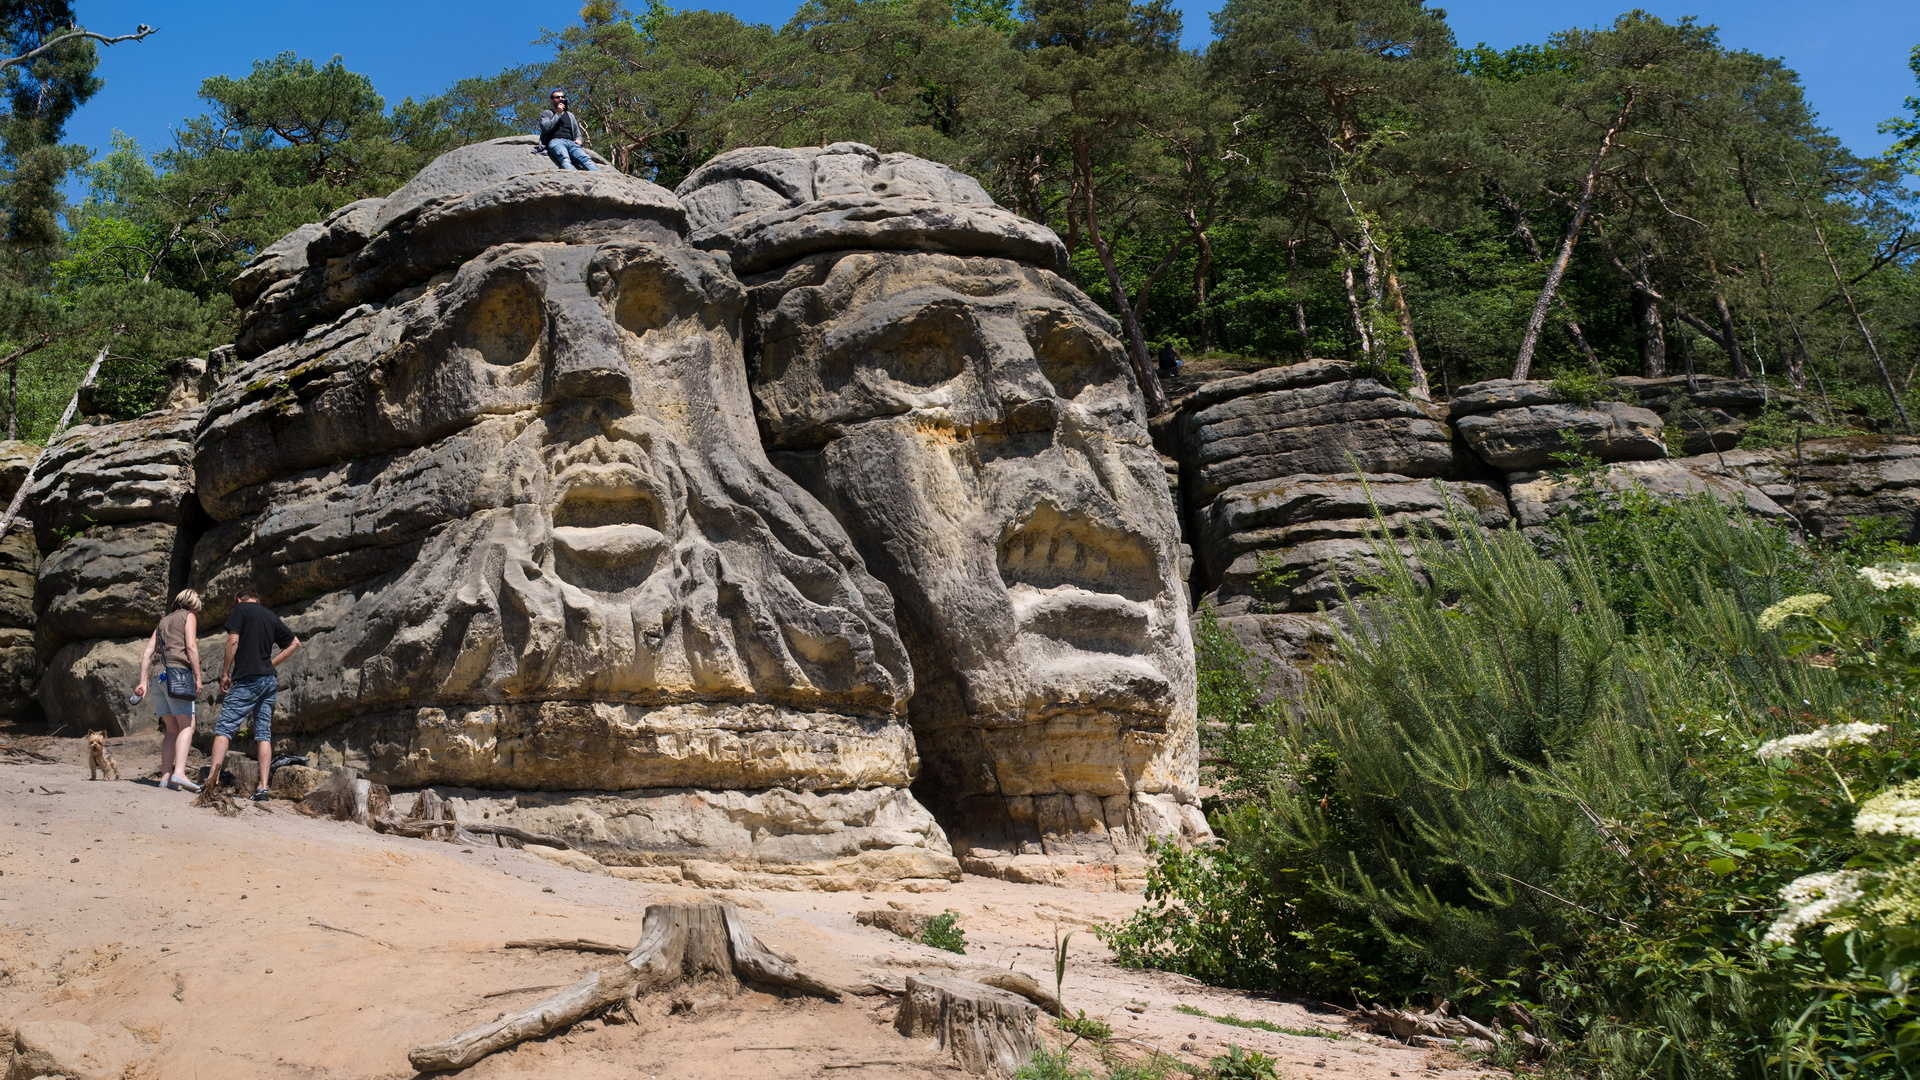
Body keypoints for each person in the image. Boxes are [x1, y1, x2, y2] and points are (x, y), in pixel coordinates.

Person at [206, 590, 300, 801]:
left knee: (224, 728)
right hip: (268, 681)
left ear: (239, 599)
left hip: (247, 678)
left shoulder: (241, 609)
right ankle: (263, 789)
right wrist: (271, 664)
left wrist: (225, 673)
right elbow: (295, 643)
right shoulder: (271, 615)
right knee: (263, 733)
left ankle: (211, 783)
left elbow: (232, 640)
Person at [132, 589, 205, 792]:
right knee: (187, 726)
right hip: (177, 676)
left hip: (157, 677)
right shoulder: (188, 616)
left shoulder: (163, 621)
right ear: (191, 604)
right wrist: (198, 677)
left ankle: (165, 777)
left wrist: (143, 682)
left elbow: (147, 652)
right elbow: (191, 647)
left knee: (171, 729)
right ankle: (179, 773)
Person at [538, 89, 596, 171]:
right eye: (557, 97)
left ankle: (603, 180)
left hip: (571, 143)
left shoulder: (570, 115)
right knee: (565, 158)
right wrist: (558, 113)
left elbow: (577, 132)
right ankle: (573, 180)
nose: (561, 99)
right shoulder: (547, 113)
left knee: (586, 159)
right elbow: (545, 128)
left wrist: (579, 139)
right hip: (556, 141)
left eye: (563, 97)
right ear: (552, 101)